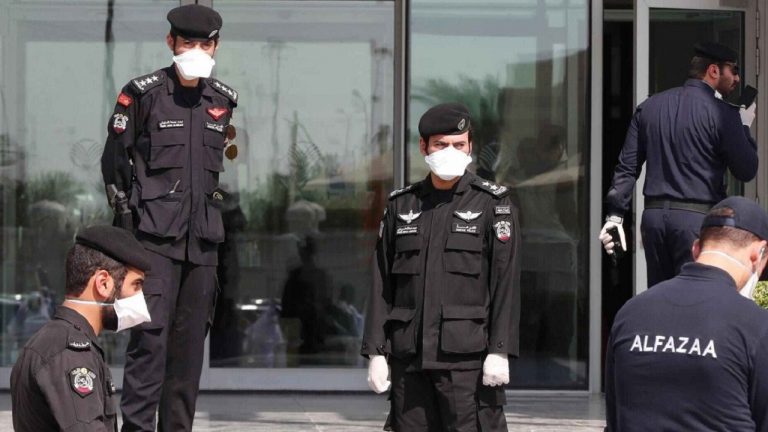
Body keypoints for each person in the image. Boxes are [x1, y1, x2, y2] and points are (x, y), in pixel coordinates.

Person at [99, 4, 238, 431]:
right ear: (170, 42)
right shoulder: (143, 95)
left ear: (216, 47)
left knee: (188, 360)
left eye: (204, 44)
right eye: (187, 42)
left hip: (202, 248)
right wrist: (128, 241)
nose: (196, 51)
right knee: (149, 351)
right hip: (153, 246)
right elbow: (115, 168)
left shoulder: (223, 101)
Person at [361, 102, 521, 431]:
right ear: (424, 147)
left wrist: (500, 350)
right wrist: (376, 352)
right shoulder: (402, 205)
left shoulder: (492, 203)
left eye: (459, 145)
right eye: (441, 144)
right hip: (409, 361)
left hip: (466, 362)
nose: (451, 152)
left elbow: (505, 282)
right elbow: (381, 282)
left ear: (470, 147)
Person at [600, 42, 758, 287]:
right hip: (696, 220)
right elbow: (746, 169)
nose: (737, 78)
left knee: (662, 295)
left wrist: (615, 215)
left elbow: (627, 167)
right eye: (733, 70)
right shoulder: (723, 114)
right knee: (696, 296)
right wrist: (744, 126)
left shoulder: (649, 107)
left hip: (653, 220)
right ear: (713, 71)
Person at [605, 196, 768, 431]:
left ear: (696, 249)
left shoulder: (630, 315)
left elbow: (614, 422)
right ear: (758, 253)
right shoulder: (757, 326)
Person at [11, 225, 152, 432]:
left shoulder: (55, 341)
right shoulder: (70, 353)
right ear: (103, 283)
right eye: (136, 285)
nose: (140, 298)